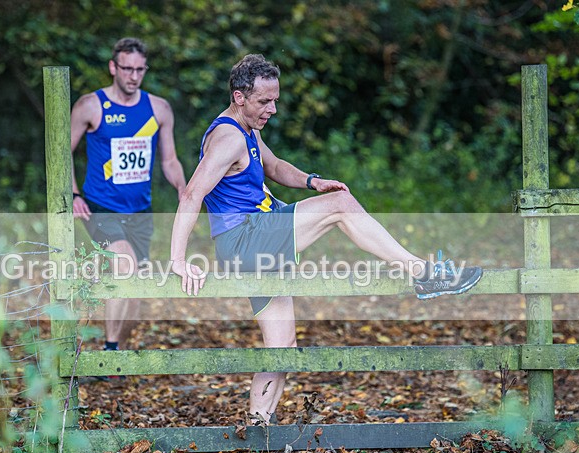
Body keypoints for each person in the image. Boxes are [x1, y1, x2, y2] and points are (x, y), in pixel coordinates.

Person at [169, 54, 482, 425]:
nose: (272, 109)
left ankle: (257, 428)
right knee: (341, 205)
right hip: (245, 240)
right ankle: (423, 272)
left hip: (256, 244)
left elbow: (273, 166)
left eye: (275, 100)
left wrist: (311, 181)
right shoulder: (227, 137)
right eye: (264, 101)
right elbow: (191, 194)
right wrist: (178, 258)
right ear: (239, 97)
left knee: (282, 347)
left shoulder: (247, 130)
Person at [71, 37, 186, 352]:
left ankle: (115, 358)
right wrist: (73, 194)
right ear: (113, 67)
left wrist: (183, 188)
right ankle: (109, 354)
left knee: (135, 291)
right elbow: (60, 152)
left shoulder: (158, 109)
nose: (133, 76)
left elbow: (170, 160)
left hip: (140, 211)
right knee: (124, 265)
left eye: (139, 70)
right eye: (127, 69)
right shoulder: (90, 105)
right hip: (100, 206)